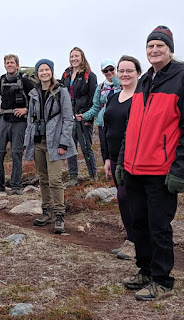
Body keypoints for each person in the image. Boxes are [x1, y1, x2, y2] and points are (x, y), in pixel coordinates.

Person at [116, 26, 184, 301]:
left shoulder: (180, 79)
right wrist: (122, 161)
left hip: (161, 171)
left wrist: (179, 170)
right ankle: (144, 270)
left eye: (159, 45)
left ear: (170, 49)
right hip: (134, 168)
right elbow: (131, 125)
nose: (154, 50)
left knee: (158, 227)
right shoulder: (144, 80)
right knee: (139, 224)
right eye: (150, 46)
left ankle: (162, 280)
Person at [24, 59, 76, 234]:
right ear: (37, 73)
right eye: (41, 70)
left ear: (52, 72)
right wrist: (27, 142)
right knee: (42, 178)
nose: (44, 73)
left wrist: (64, 142)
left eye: (47, 69)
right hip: (38, 141)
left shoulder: (61, 92)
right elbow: (30, 120)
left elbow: (68, 119)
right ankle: (47, 211)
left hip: (55, 142)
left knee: (55, 179)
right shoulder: (33, 93)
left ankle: (60, 214)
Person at [102, 56, 141, 260]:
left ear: (138, 73)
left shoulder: (142, 98)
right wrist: (107, 158)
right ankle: (131, 239)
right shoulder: (113, 98)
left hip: (135, 158)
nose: (125, 74)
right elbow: (107, 128)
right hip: (115, 157)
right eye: (121, 70)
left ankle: (137, 242)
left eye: (129, 70)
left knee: (127, 197)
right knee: (123, 200)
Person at [0, 54, 35, 196]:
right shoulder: (1, 81)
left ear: (17, 65)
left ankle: (16, 186)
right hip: (4, 120)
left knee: (16, 153)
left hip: (20, 122)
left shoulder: (25, 81)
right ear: (5, 65)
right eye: (7, 63)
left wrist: (26, 109)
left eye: (12, 63)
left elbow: (35, 98)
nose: (10, 65)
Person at [61, 47, 97, 187]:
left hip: (83, 116)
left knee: (86, 147)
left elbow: (94, 98)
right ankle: (73, 177)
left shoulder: (89, 75)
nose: (74, 59)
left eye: (76, 56)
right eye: (72, 56)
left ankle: (93, 176)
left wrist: (89, 118)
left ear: (82, 57)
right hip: (69, 117)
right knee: (70, 147)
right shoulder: (66, 74)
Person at [77, 59, 121, 163]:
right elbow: (95, 107)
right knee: (105, 150)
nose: (109, 72)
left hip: (119, 123)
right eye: (106, 70)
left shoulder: (122, 85)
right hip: (103, 124)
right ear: (102, 72)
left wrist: (116, 80)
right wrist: (84, 116)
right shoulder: (100, 87)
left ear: (116, 69)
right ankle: (109, 173)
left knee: (120, 149)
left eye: (111, 69)